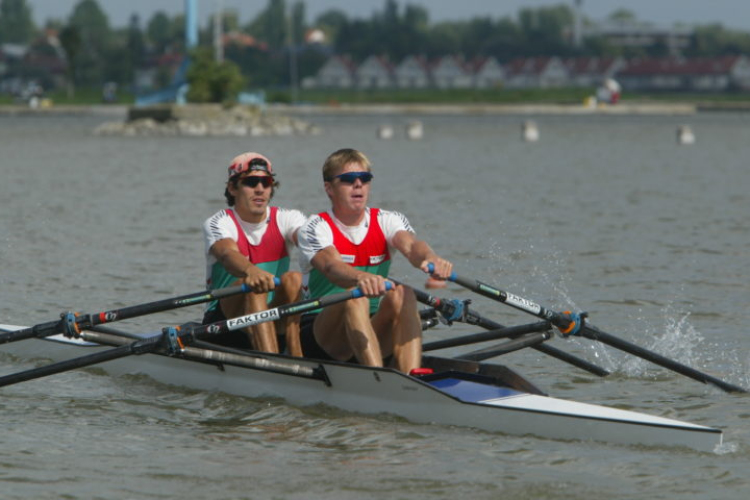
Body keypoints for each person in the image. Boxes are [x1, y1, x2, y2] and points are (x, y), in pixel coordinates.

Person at [297, 148, 453, 373]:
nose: (358, 184)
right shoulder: (315, 226)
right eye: (349, 179)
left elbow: (411, 246)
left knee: (404, 293)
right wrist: (361, 277)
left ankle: (411, 377)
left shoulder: (388, 220)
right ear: (329, 188)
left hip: (370, 327)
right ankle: (377, 378)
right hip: (323, 336)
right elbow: (331, 267)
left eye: (365, 179)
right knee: (354, 296)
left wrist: (430, 258)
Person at [202, 152, 306, 355]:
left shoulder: (288, 218)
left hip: (272, 317)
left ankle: (296, 358)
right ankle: (272, 364)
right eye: (251, 182)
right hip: (225, 325)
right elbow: (227, 255)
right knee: (250, 285)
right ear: (233, 188)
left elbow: (311, 240)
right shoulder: (219, 222)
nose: (260, 189)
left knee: (294, 279)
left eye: (266, 183)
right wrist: (251, 270)